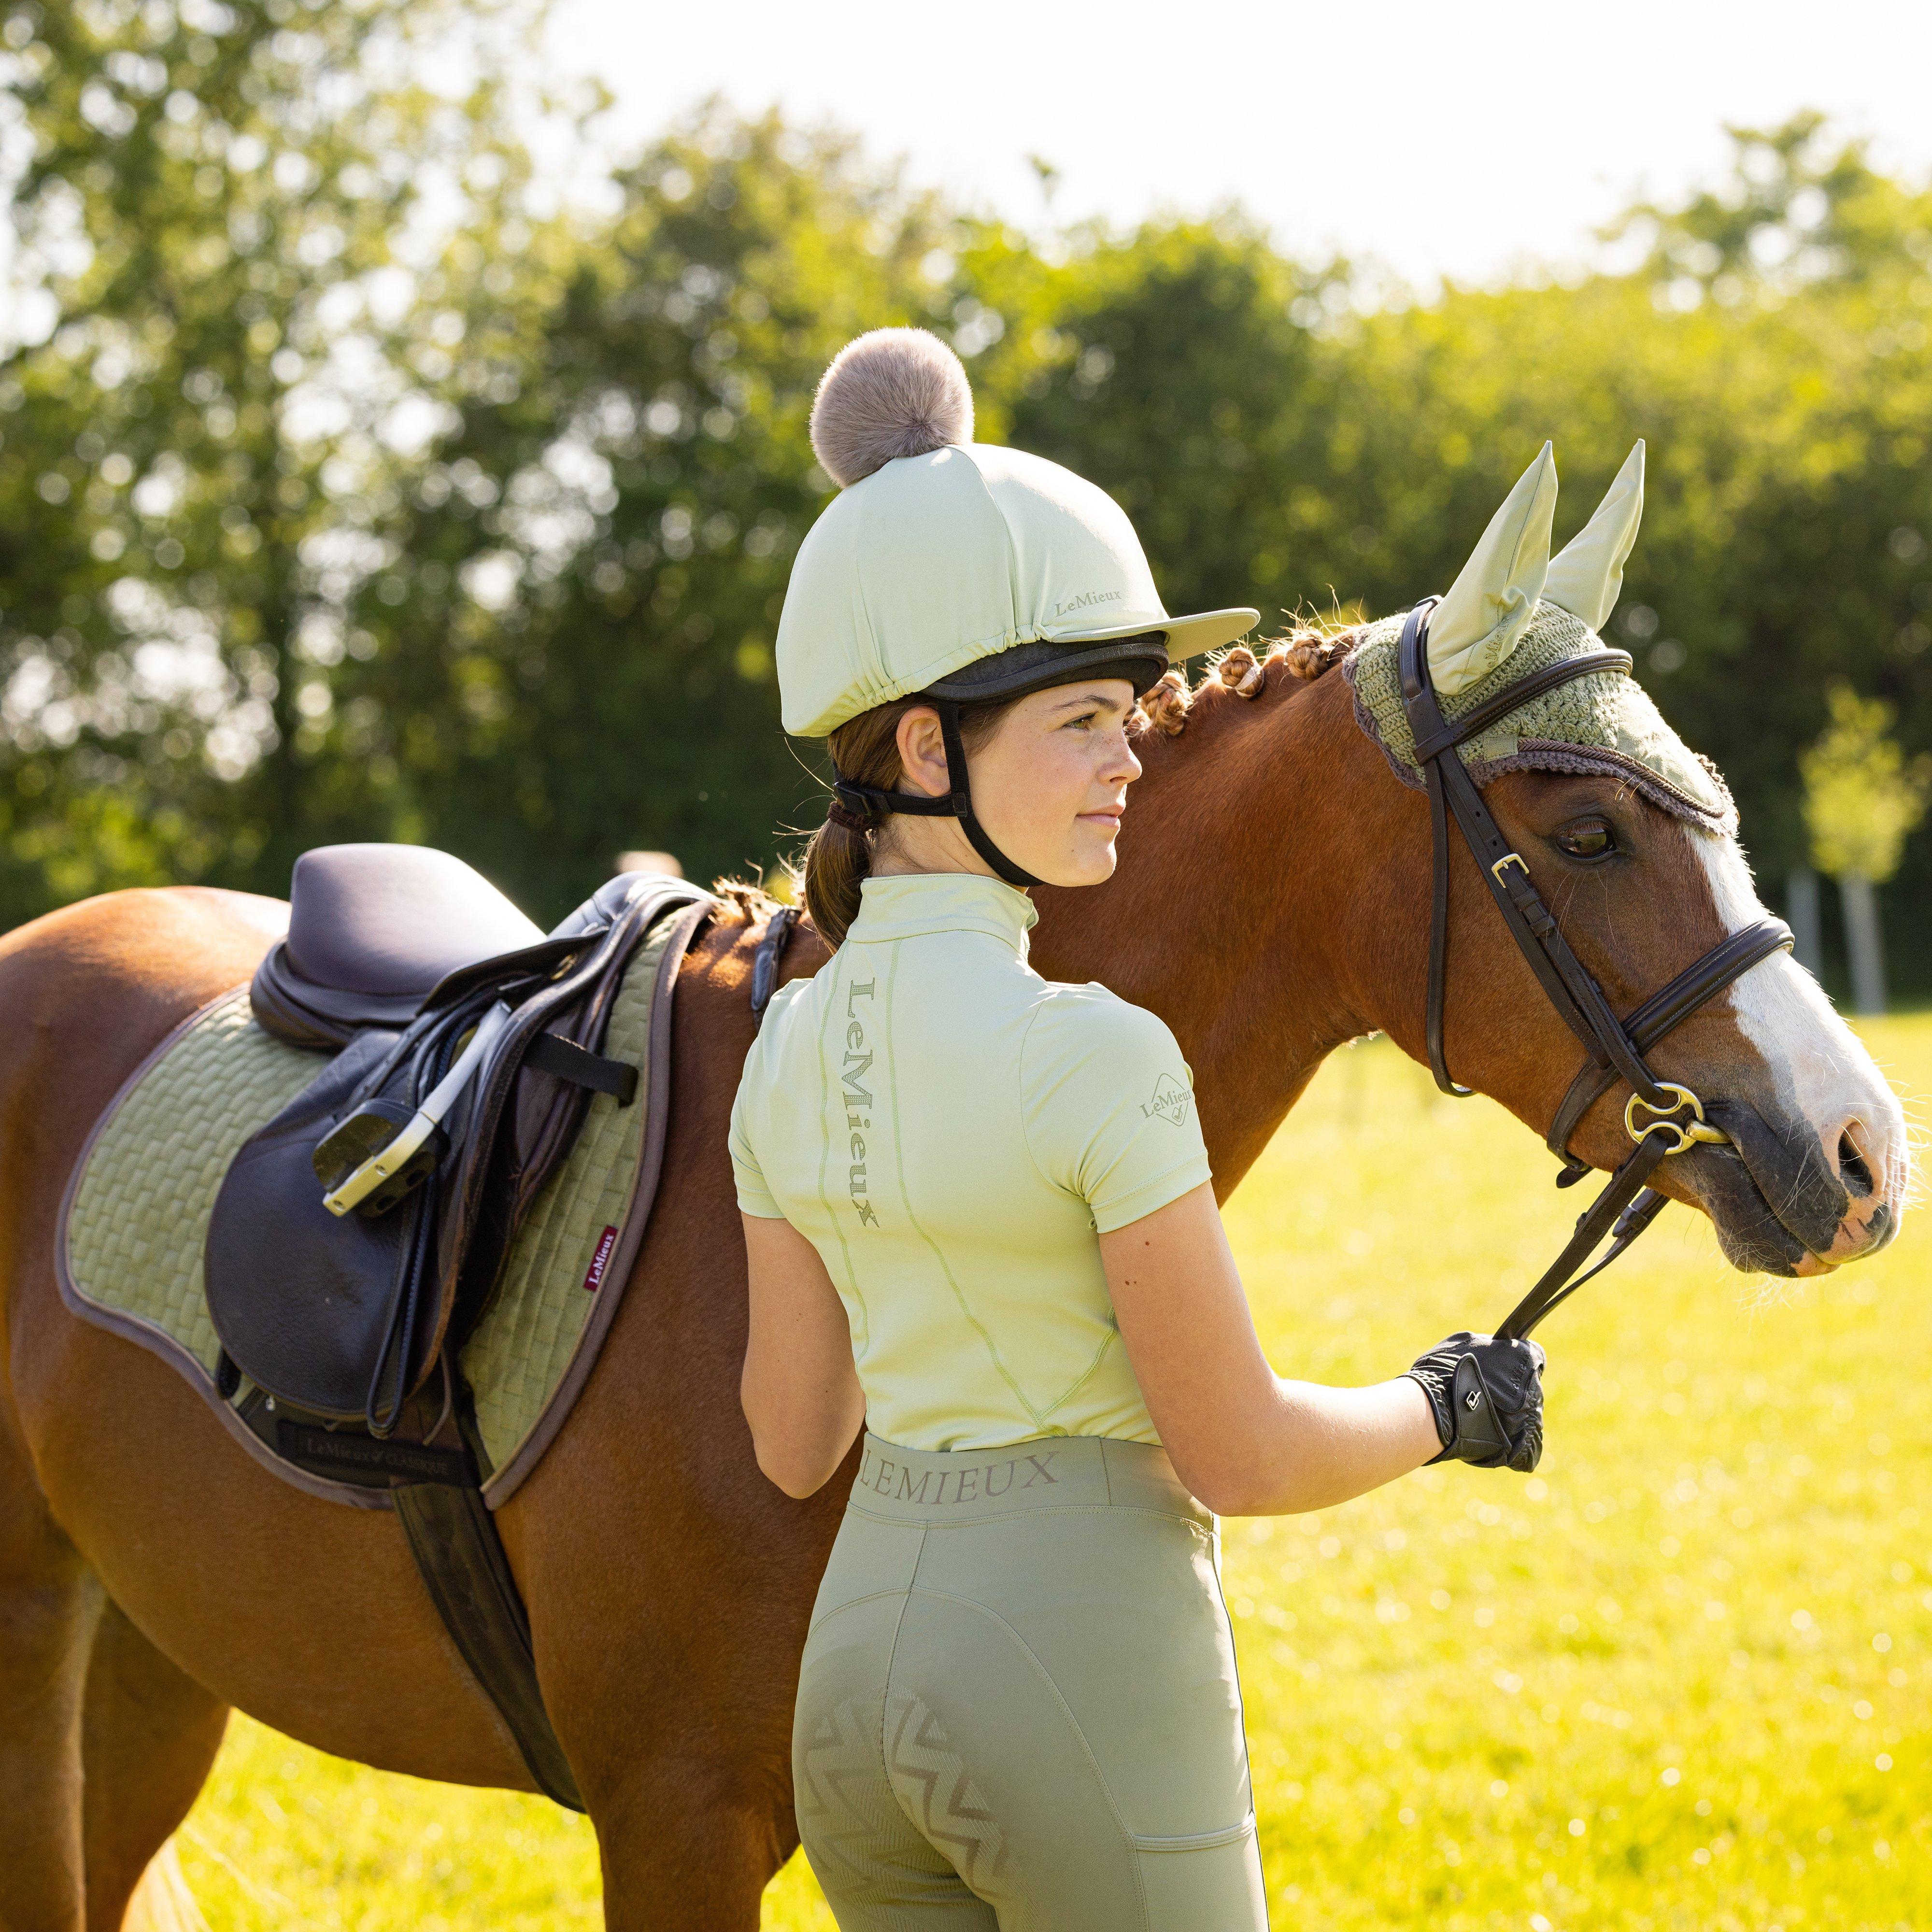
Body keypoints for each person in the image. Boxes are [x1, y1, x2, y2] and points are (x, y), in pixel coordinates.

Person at [730, 327, 1545, 1931]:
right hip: (1074, 1682)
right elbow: (1234, 1455)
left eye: (1132, 714)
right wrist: (1444, 1406)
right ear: (922, 750)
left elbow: (792, 1440)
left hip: (851, 1699)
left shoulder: (788, 1043)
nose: (1132, 759)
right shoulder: (1096, 1056)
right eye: (1083, 723)